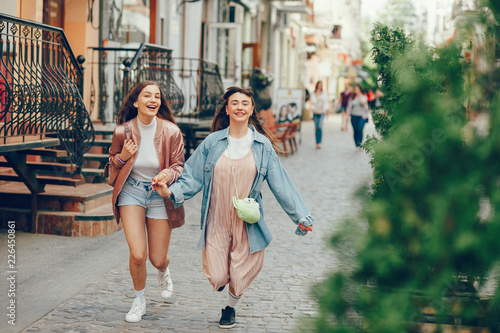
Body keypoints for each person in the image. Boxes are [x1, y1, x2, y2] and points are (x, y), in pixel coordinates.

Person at [155, 86, 314, 329]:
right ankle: (223, 283)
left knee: (240, 276)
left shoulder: (262, 146)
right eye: (235, 103)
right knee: (218, 276)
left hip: (247, 222)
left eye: (245, 103)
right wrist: (170, 192)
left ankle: (229, 308)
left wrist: (301, 216)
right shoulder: (212, 142)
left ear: (251, 110)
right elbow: (191, 177)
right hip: (217, 217)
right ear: (227, 109)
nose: (240, 107)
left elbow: (282, 184)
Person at [108, 81, 186, 323]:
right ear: (136, 101)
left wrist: (166, 176)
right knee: (138, 254)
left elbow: (178, 166)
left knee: (157, 258)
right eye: (147, 95)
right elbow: (110, 165)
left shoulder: (172, 131)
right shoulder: (123, 131)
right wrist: (123, 157)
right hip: (131, 192)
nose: (153, 100)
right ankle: (139, 300)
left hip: (158, 195)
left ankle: (163, 269)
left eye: (157, 96)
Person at [310, 81, 329, 149]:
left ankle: (319, 142)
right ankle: (317, 142)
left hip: (322, 112)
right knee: (316, 127)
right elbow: (312, 102)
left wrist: (326, 111)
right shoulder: (314, 93)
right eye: (319, 85)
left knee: (320, 126)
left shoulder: (324, 93)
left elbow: (326, 102)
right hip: (315, 112)